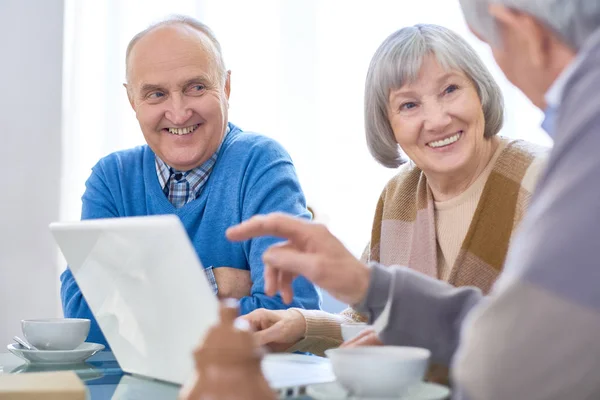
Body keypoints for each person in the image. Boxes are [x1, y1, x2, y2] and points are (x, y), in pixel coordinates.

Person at [227, 0, 600, 397]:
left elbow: (521, 345)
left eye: (451, 90)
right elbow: (377, 326)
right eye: (409, 105)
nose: (437, 119)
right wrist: (303, 326)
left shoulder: (543, 178)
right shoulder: (399, 196)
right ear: (387, 125)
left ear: (481, 92)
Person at [60, 15, 321, 347]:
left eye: (196, 87)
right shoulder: (111, 180)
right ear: (132, 102)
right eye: (156, 94)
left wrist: (136, 305)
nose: (179, 112)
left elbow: (288, 316)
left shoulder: (260, 163)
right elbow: (86, 322)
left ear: (225, 87)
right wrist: (215, 282)